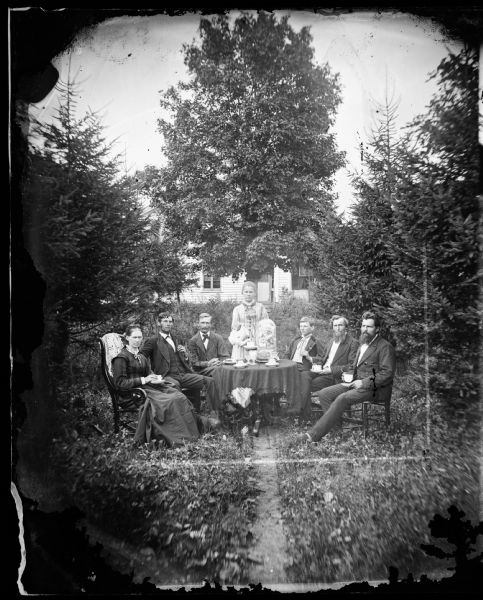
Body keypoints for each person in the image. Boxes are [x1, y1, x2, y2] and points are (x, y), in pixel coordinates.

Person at [298, 311, 396, 444]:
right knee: (324, 393)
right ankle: (337, 431)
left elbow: (387, 374)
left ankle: (313, 435)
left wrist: (363, 382)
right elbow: (353, 367)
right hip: (355, 383)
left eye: (369, 327)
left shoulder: (384, 346)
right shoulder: (363, 345)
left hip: (375, 389)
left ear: (377, 329)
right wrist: (348, 375)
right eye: (363, 326)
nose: (365, 330)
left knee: (342, 398)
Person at [112, 324, 202, 447]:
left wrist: (156, 378)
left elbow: (149, 373)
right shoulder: (121, 358)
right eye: (134, 337)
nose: (138, 340)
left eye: (140, 337)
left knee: (178, 396)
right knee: (168, 401)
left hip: (148, 388)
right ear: (127, 338)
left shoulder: (141, 356)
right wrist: (144, 380)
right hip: (132, 394)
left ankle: (188, 432)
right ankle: (171, 436)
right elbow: (120, 384)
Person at [140, 312, 212, 412]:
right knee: (175, 386)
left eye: (170, 321)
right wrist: (150, 375)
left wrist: (185, 355)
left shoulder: (176, 338)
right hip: (166, 376)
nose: (168, 324)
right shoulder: (152, 340)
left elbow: (182, 360)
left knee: (209, 381)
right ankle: (185, 415)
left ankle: (210, 411)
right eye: (165, 321)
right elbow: (141, 358)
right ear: (159, 323)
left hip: (183, 374)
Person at [310, 315, 359, 392]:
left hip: (335, 376)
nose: (337, 328)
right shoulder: (331, 341)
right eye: (335, 325)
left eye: (340, 325)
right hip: (322, 371)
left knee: (309, 384)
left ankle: (305, 403)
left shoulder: (353, 343)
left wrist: (331, 370)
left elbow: (351, 366)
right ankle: (305, 403)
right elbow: (323, 358)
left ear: (346, 327)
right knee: (303, 377)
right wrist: (316, 365)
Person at [285, 316, 321, 419]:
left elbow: (322, 359)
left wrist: (309, 357)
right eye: (301, 326)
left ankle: (300, 412)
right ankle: (276, 408)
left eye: (305, 326)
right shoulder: (296, 340)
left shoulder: (316, 342)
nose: (302, 328)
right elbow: (287, 355)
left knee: (302, 379)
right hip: (291, 366)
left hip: (305, 369)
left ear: (312, 327)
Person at [229, 281, 268, 361]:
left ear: (255, 293)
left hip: (258, 340)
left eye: (251, 292)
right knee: (241, 362)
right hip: (242, 341)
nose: (248, 294)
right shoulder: (237, 309)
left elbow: (266, 324)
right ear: (242, 293)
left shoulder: (260, 307)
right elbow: (234, 328)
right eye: (246, 292)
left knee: (258, 362)